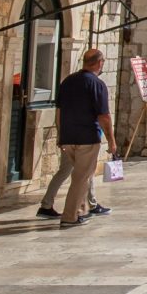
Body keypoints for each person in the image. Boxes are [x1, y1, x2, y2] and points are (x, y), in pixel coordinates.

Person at [37, 47, 114, 221]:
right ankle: (71, 215)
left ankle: (87, 205)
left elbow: (59, 111)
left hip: (68, 137)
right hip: (87, 138)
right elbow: (104, 116)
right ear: (99, 63)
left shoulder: (67, 82)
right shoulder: (96, 84)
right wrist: (111, 141)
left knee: (81, 173)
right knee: (81, 176)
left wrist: (60, 135)